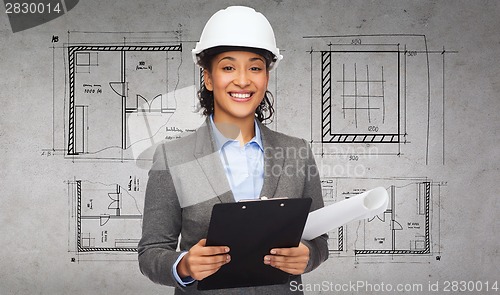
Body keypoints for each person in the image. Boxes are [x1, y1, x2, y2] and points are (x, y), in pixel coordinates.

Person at [138, 6, 328, 294]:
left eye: (255, 67)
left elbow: (319, 240)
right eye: (228, 67)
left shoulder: (297, 151)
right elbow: (151, 252)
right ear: (209, 78)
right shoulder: (172, 157)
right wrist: (184, 265)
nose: (242, 80)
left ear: (266, 76)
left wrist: (309, 255)